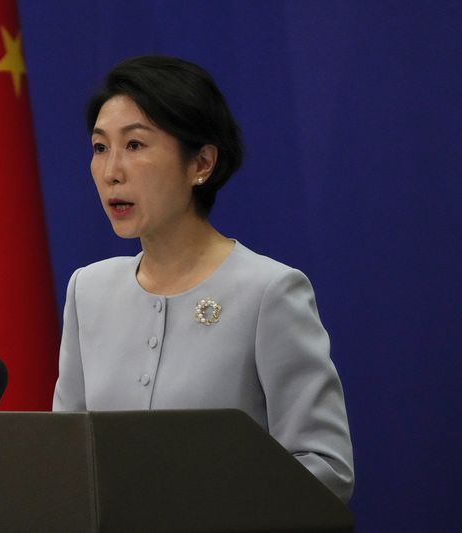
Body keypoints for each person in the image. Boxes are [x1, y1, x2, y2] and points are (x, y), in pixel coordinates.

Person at [52, 55, 354, 503]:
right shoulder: (88, 290)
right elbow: (66, 456)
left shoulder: (267, 291)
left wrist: (203, 501)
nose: (112, 171)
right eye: (100, 148)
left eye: (135, 145)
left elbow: (326, 470)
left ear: (202, 164)